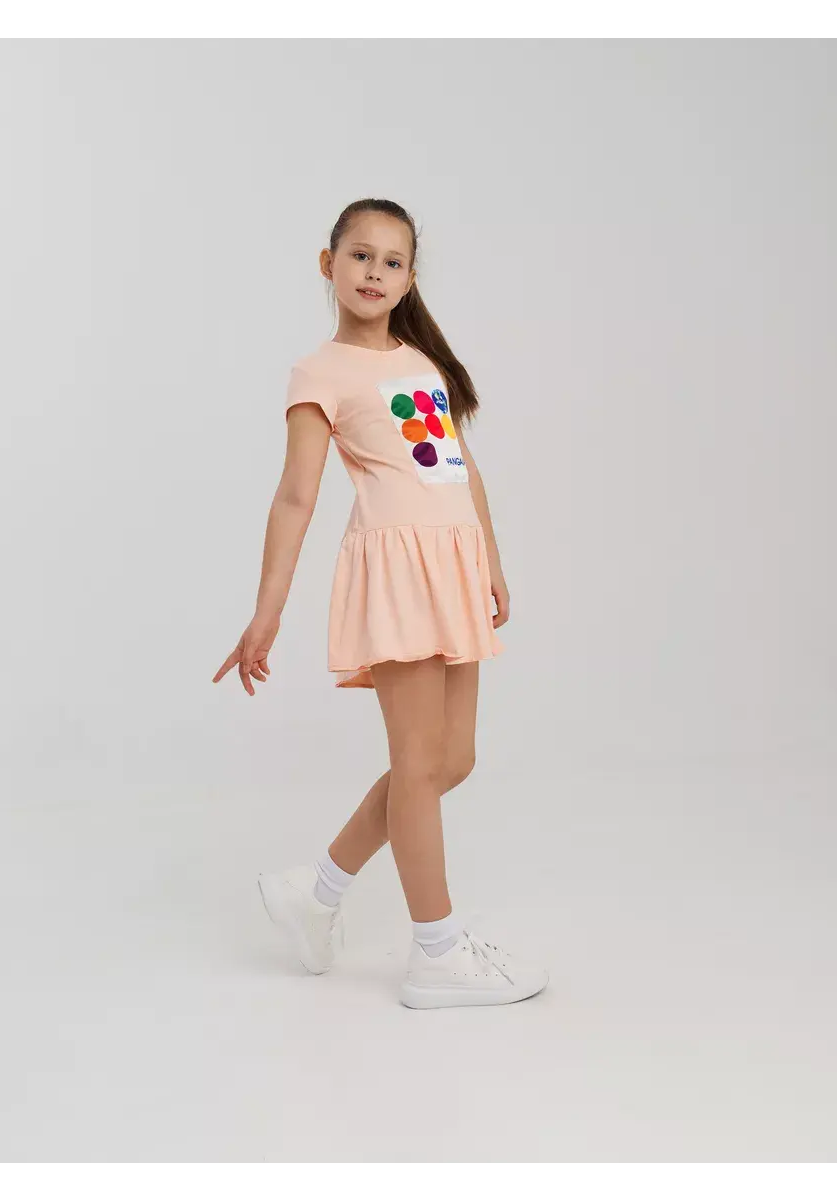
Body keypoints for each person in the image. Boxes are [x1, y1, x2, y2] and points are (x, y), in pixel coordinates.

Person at [213, 198, 548, 1009]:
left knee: (449, 762)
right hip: (397, 572)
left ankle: (316, 890)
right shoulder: (320, 374)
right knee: (417, 766)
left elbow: (460, 467)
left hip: (452, 567)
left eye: (392, 262)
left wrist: (491, 560)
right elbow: (295, 497)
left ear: (409, 279)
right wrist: (266, 611)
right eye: (360, 256)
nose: (374, 272)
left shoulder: (422, 363)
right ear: (328, 265)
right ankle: (436, 951)